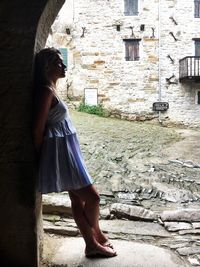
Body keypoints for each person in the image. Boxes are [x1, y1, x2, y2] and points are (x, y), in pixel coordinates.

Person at [33, 47, 117, 258]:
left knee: (77, 200)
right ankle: (95, 237)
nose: (64, 66)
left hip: (68, 148)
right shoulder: (46, 90)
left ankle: (93, 241)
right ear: (47, 66)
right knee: (93, 198)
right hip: (61, 153)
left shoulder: (52, 87)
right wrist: (40, 157)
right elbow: (38, 127)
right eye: (59, 63)